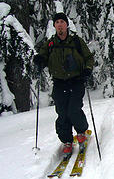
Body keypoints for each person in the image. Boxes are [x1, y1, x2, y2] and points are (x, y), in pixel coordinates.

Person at [33, 12, 94, 156]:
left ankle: (81, 133)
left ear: (67, 24)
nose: (60, 24)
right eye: (57, 22)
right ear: (54, 26)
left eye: (62, 22)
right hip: (59, 83)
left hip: (76, 81)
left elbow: (89, 58)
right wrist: (39, 60)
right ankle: (67, 141)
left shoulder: (76, 41)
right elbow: (43, 56)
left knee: (74, 109)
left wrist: (87, 70)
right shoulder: (50, 43)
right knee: (62, 112)